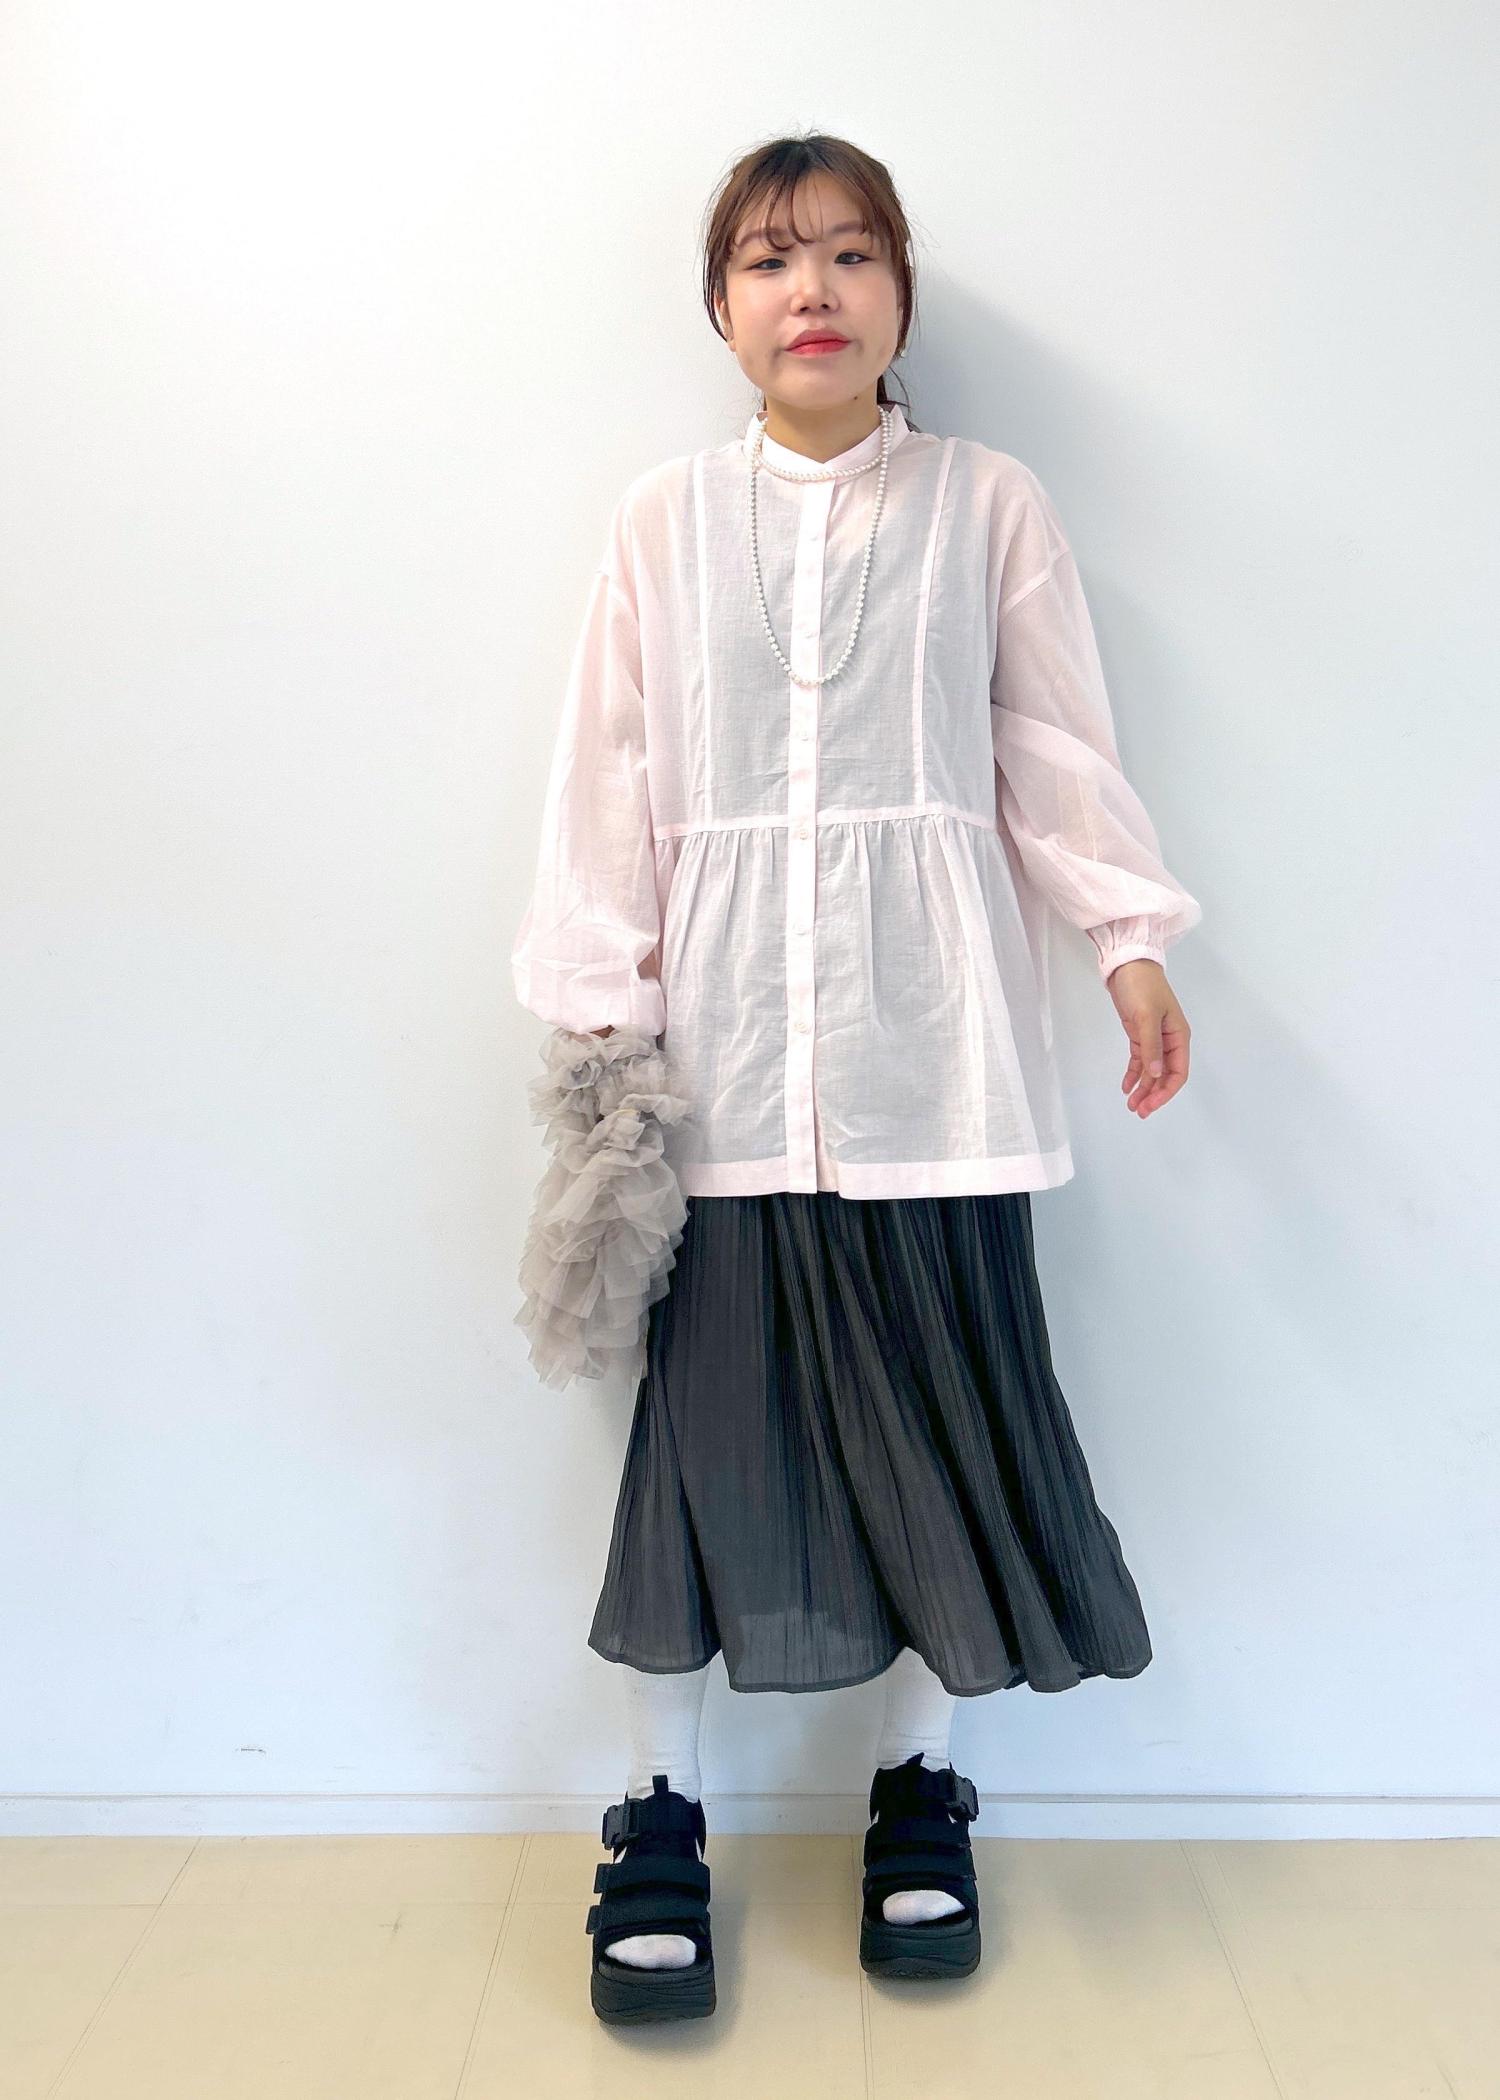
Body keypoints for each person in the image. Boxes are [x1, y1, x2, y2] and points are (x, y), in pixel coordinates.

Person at [511, 131, 1201, 2024]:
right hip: (723, 1071)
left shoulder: (986, 502)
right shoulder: (664, 521)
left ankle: (918, 1790)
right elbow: (606, 780)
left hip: (934, 1061)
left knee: (942, 1447)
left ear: (899, 289)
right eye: (767, 257)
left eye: (846, 252)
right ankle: (657, 1811)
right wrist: (601, 1016)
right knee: (703, 1453)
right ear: (718, 307)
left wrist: (1127, 942)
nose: (808, 287)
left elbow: (1053, 749)